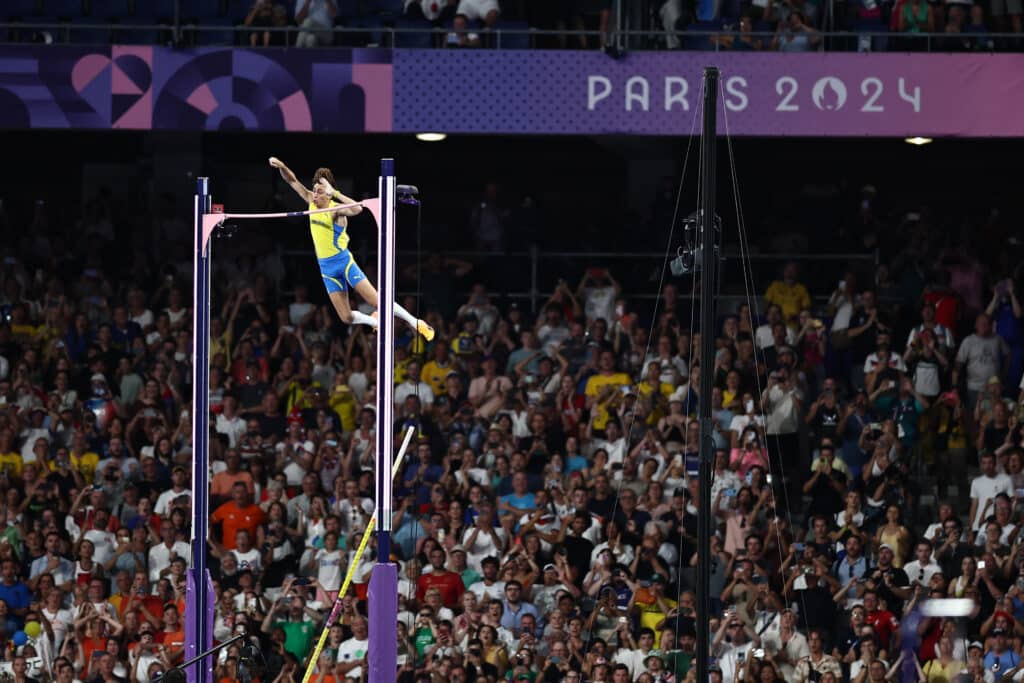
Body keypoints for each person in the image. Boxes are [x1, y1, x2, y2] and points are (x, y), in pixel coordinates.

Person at [268, 157, 435, 341]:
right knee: (346, 317)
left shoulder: (336, 209)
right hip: (326, 269)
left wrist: (336, 192)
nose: (314, 194)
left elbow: (357, 209)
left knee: (377, 302)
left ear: (328, 194)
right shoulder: (310, 202)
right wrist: (283, 166)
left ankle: (415, 322)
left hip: (343, 263)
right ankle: (375, 322)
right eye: (314, 190)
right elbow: (292, 180)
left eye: (320, 191)